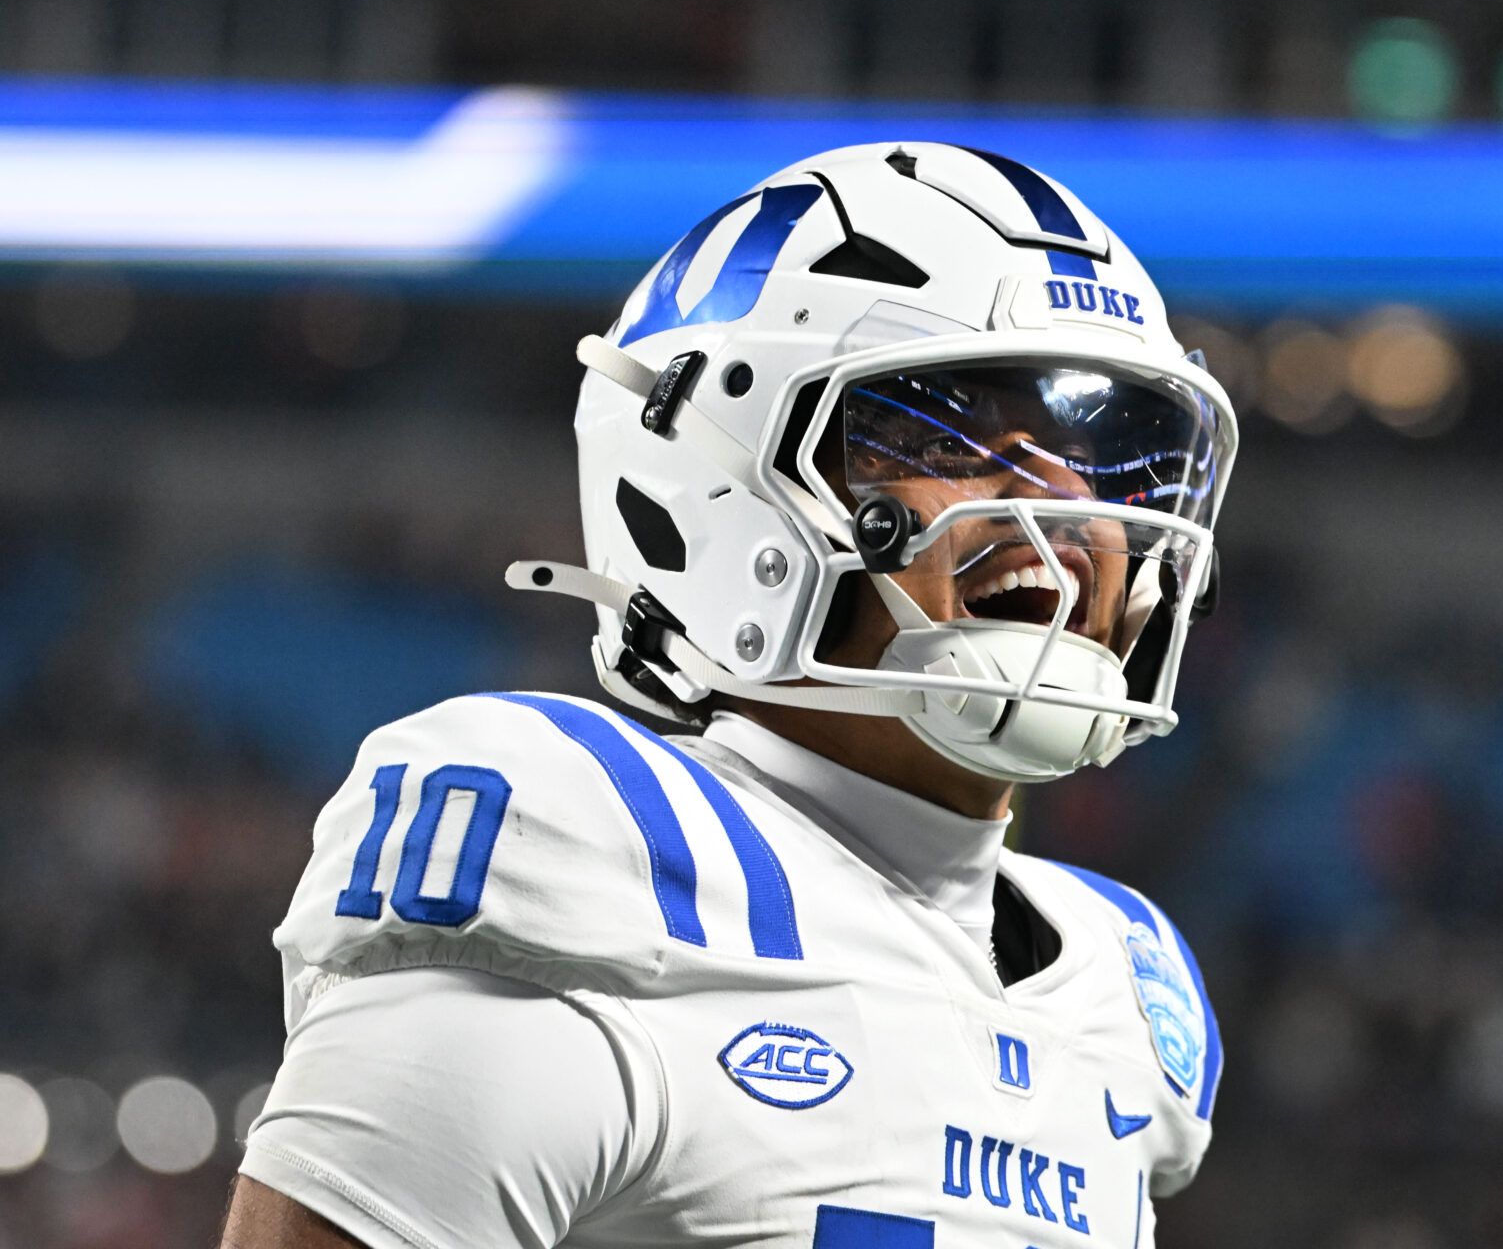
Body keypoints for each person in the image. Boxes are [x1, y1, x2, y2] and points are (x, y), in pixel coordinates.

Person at [221, 141, 1238, 1248]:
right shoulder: (596, 857)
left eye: (1104, 456)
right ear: (721, 479)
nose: (1064, 508)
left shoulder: (1119, 985)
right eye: (945, 427)